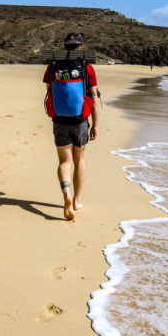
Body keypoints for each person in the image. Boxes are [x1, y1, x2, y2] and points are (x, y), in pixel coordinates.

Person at [43, 32, 99, 220]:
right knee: (79, 160)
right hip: (80, 121)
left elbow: (49, 92)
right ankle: (76, 201)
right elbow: (94, 98)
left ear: (65, 47)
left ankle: (66, 193)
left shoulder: (53, 66)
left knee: (64, 161)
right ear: (81, 47)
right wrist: (95, 125)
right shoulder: (86, 67)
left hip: (60, 120)